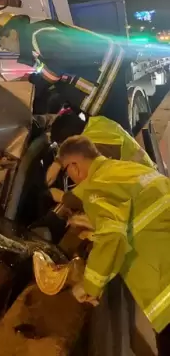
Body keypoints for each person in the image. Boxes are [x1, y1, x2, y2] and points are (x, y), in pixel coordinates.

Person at [58, 135, 170, 354]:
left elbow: (112, 238)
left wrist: (88, 285)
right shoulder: (128, 170)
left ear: (74, 166)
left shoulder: (96, 187)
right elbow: (136, 214)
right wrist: (97, 224)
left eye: (66, 170)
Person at [0, 14, 132, 131]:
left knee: (115, 129)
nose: (3, 48)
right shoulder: (34, 43)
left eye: (1, 42)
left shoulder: (37, 34)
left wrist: (36, 85)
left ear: (12, 33)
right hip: (104, 73)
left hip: (109, 71)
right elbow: (53, 68)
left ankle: (133, 166)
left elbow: (60, 61)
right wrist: (31, 82)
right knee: (110, 129)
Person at [46, 109, 154, 187]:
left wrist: (62, 197)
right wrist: (58, 162)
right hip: (146, 173)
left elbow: (92, 189)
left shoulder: (97, 149)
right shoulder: (97, 122)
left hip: (143, 184)